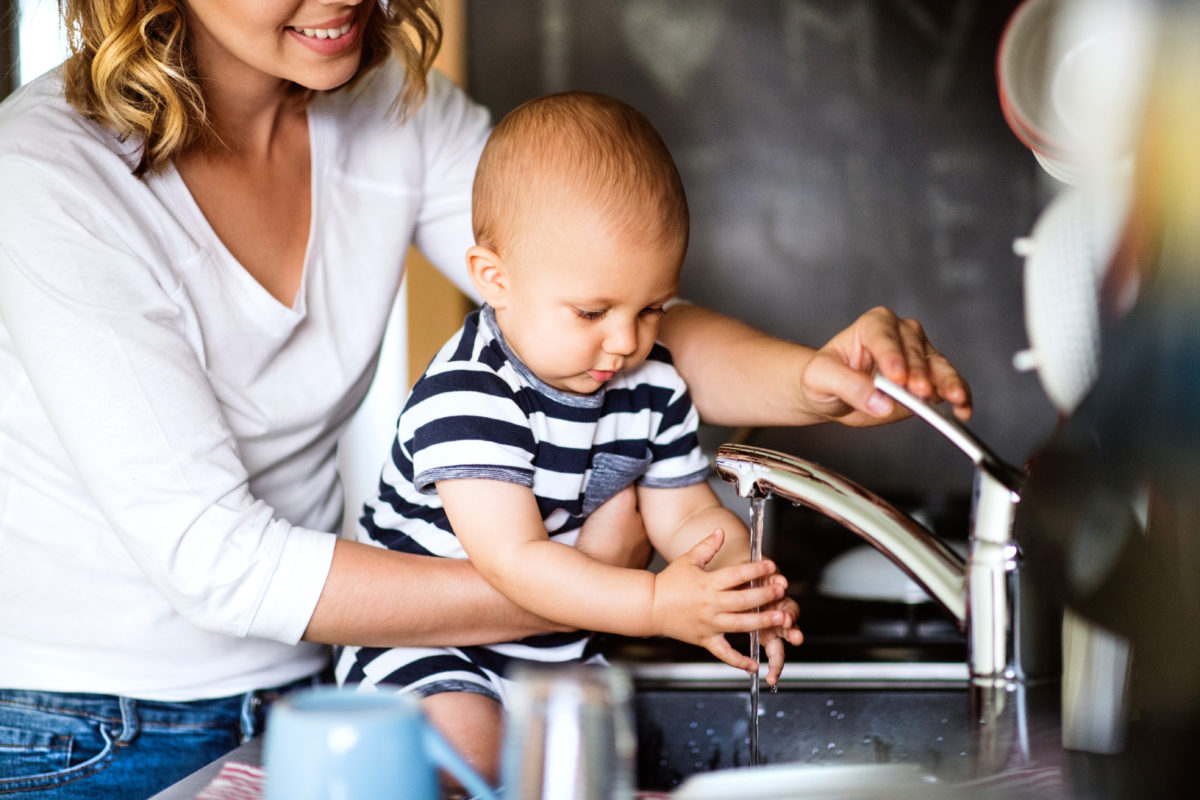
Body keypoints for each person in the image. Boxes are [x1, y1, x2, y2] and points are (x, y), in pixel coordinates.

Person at [0, 2, 971, 798]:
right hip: (95, 727)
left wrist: (817, 379)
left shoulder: (385, 104)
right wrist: (607, 587)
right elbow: (219, 562)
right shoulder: (48, 177)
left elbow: (608, 318)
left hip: (319, 694)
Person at [334, 91, 805, 780]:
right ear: (495, 280)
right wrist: (653, 604)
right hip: (431, 648)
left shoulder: (651, 379)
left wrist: (733, 584)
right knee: (473, 748)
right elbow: (515, 560)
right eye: (592, 311)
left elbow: (686, 512)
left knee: (593, 761)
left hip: (562, 650)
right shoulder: (470, 394)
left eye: (651, 308)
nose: (624, 340)